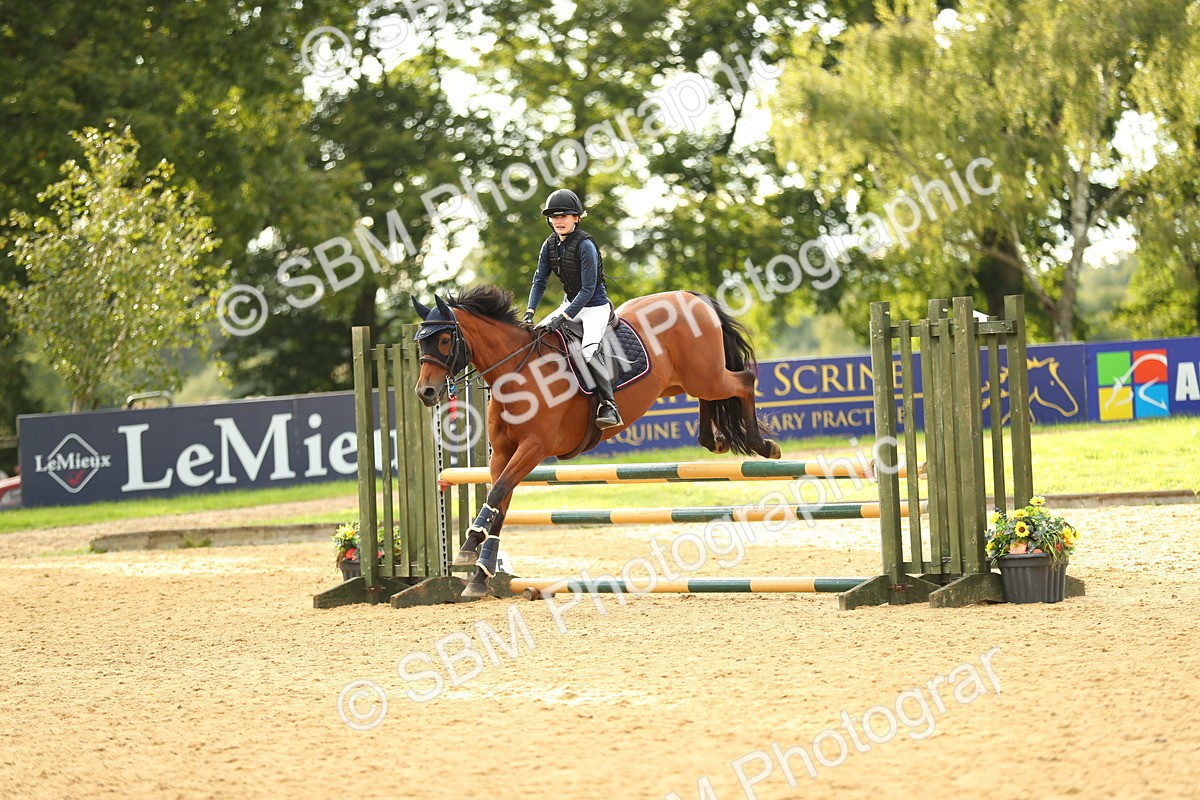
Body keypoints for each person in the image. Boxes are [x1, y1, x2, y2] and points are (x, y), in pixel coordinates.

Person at [524, 188, 623, 429]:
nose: (558, 221)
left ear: (576, 218)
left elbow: (588, 289)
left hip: (594, 307)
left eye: (564, 216)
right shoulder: (549, 245)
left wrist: (564, 316)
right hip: (570, 304)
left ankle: (609, 405)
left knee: (588, 351)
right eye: (554, 217)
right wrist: (529, 312)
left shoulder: (585, 245)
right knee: (535, 339)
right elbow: (539, 280)